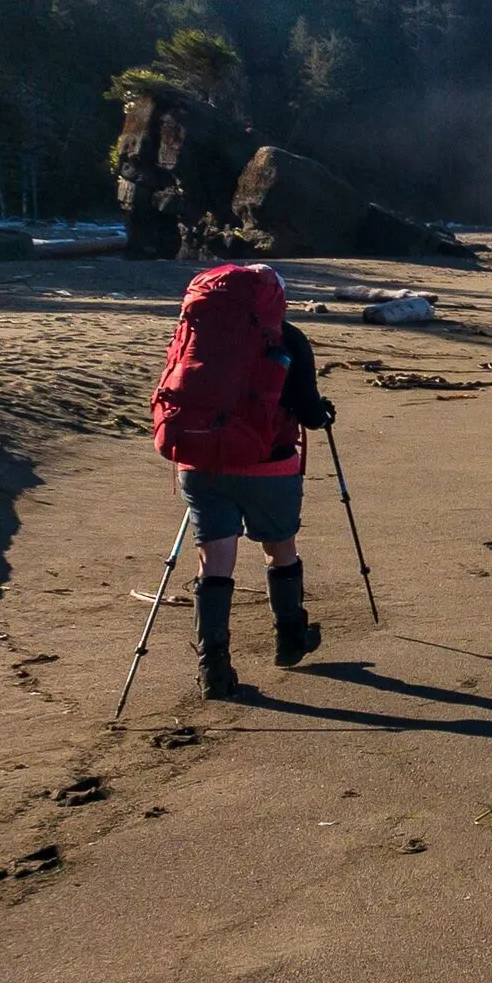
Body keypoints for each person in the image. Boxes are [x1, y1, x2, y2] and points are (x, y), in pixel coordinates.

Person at [153, 264, 336, 699]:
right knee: (280, 550)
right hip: (266, 464)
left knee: (213, 564)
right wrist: (322, 412)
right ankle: (290, 638)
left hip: (198, 463)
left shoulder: (196, 335)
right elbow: (309, 412)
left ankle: (213, 670)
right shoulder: (288, 339)